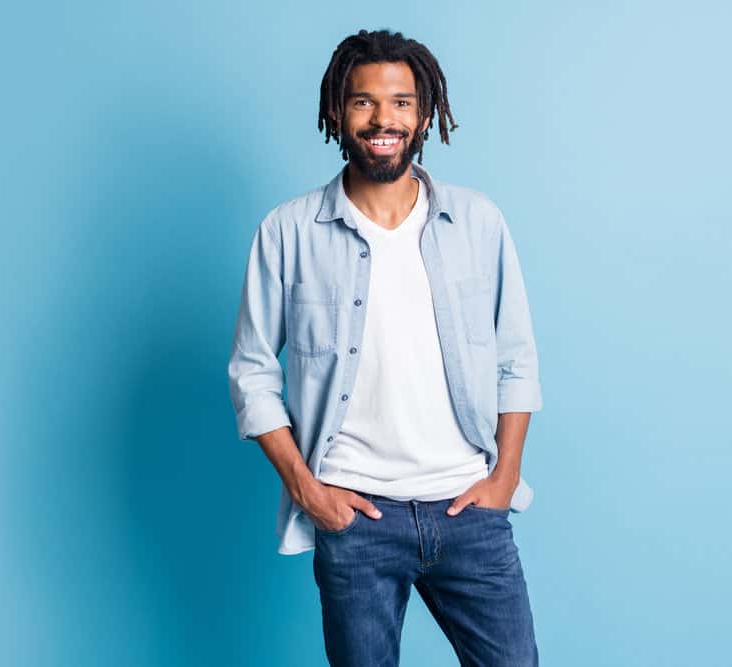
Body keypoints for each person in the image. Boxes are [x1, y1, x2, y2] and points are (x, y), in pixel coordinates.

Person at [228, 28, 543, 667]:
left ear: (423, 113)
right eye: (363, 102)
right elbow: (252, 373)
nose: (383, 119)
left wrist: (504, 476)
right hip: (356, 520)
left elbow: (516, 357)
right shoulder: (288, 231)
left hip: (468, 511)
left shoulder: (477, 221)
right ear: (337, 114)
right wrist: (308, 490)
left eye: (400, 102)